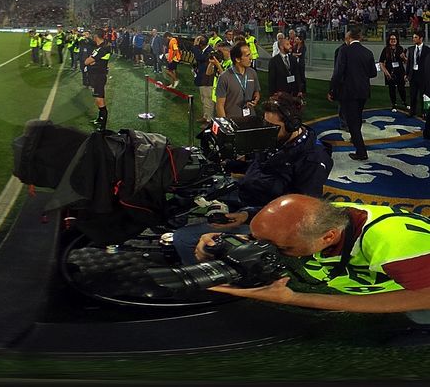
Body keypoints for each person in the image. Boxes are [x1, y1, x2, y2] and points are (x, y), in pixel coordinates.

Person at [200, 195, 430, 319]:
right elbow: (285, 232)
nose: (267, 250)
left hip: (419, 287)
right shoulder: (323, 217)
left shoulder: (394, 244)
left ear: (328, 237)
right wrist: (226, 242)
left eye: (282, 248)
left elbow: (426, 297)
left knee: (416, 319)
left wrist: (294, 299)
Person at [172, 93, 331, 264]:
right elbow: (256, 165)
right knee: (190, 184)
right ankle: (173, 222)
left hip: (266, 217)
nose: (267, 130)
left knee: (183, 238)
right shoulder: (273, 137)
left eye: (273, 126)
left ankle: (208, 276)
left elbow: (301, 212)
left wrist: (247, 215)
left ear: (293, 125)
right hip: (245, 192)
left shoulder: (313, 160)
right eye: (265, 124)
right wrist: (225, 164)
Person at [329, 25, 377, 161]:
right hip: (363, 92)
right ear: (359, 37)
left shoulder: (344, 51)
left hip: (349, 92)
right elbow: (373, 73)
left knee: (352, 122)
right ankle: (356, 140)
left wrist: (332, 90)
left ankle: (361, 151)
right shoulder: (368, 52)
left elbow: (338, 73)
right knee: (357, 118)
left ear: (349, 37)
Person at [214, 41, 260, 119]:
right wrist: (226, 124)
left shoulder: (252, 73)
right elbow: (220, 106)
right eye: (247, 55)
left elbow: (257, 92)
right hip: (232, 120)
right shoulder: (224, 77)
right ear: (237, 59)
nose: (251, 58)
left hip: (250, 118)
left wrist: (255, 100)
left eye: (250, 54)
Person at [83, 30, 112, 131]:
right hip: (96, 76)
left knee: (100, 100)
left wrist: (91, 61)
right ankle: (100, 119)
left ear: (96, 36)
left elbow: (87, 61)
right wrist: (92, 61)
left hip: (99, 76)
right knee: (97, 99)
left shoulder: (103, 48)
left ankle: (103, 126)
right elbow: (92, 60)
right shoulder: (100, 47)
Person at [380, 32, 408, 113]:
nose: (393, 40)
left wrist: (404, 57)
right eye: (391, 39)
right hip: (390, 72)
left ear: (397, 40)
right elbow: (381, 62)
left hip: (400, 72)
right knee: (391, 89)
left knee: (401, 88)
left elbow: (406, 62)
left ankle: (404, 102)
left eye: (394, 39)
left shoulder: (400, 48)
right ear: (389, 40)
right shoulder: (385, 49)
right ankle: (394, 104)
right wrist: (386, 72)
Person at [406, 31, 430, 120]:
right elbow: (409, 63)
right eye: (413, 37)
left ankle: (425, 112)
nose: (413, 39)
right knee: (412, 94)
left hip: (423, 76)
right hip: (413, 75)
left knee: (423, 95)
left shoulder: (427, 50)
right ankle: (412, 111)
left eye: (415, 37)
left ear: (421, 38)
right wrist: (406, 74)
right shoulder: (411, 49)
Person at [192, 35, 215, 122]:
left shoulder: (209, 51)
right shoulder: (205, 50)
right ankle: (205, 116)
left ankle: (209, 120)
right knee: (203, 99)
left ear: (200, 44)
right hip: (202, 79)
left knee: (208, 101)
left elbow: (199, 57)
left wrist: (195, 46)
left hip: (207, 80)